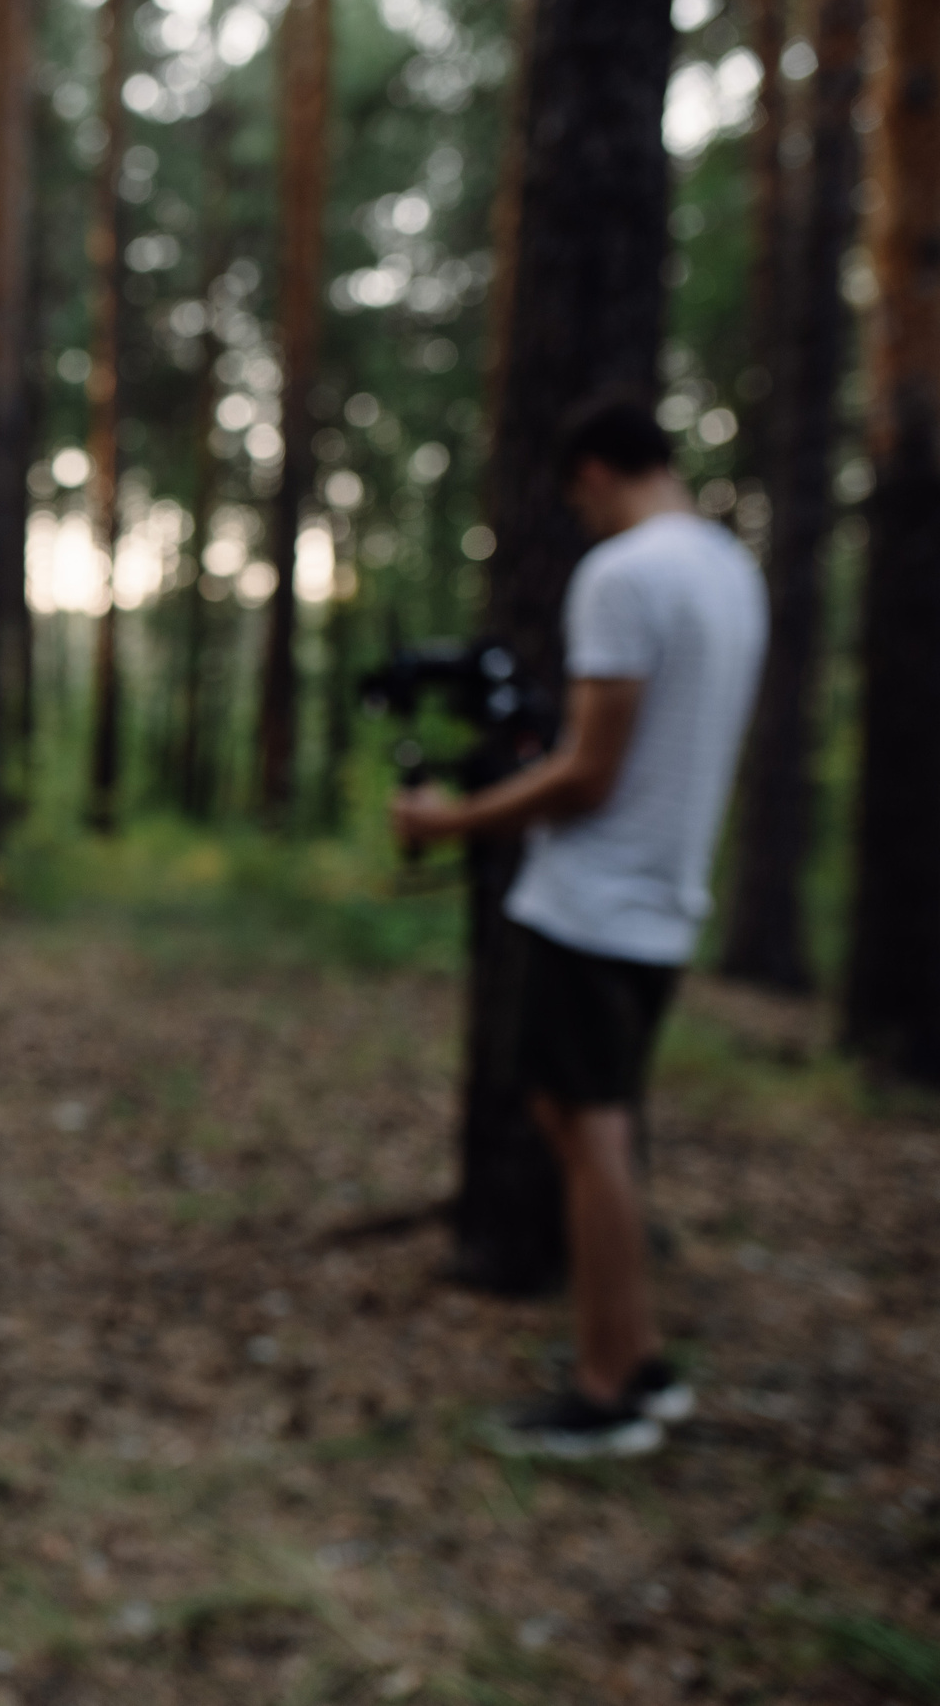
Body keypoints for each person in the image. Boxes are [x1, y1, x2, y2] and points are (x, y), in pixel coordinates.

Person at [393, 392, 766, 1458]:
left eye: (578, 498)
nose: (583, 517)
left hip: (595, 902)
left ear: (594, 473)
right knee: (583, 1125)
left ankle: (608, 1388)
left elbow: (591, 773)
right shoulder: (728, 572)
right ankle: (635, 1353)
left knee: (589, 1134)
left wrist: (452, 819)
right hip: (665, 897)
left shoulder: (626, 574)